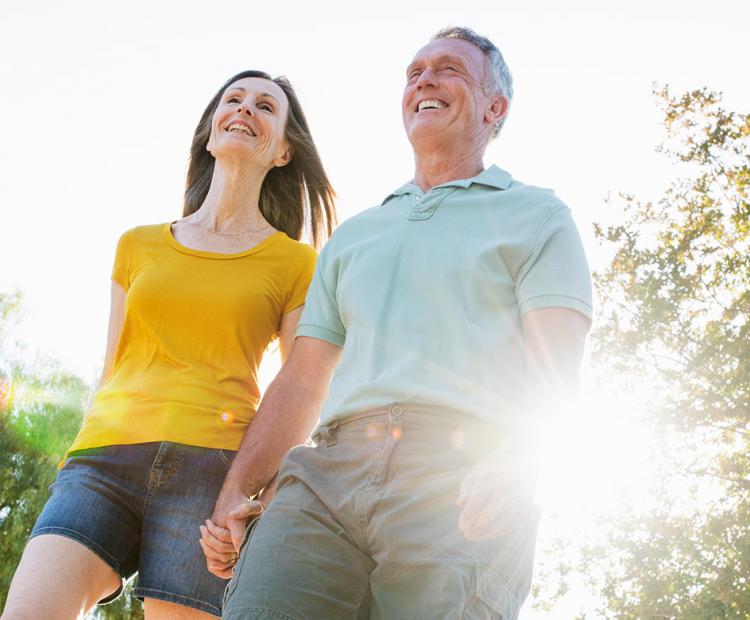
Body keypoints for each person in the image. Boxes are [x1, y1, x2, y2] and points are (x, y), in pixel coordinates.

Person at [203, 27, 592, 620]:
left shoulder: (537, 216)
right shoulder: (355, 235)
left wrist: (520, 460)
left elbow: (557, 365)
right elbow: (304, 378)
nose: (424, 81)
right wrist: (238, 489)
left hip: (457, 472)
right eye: (414, 73)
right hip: (324, 476)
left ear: (495, 107)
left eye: (448, 70)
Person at [2, 70, 335, 619]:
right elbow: (111, 369)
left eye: (265, 107)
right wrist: (72, 464)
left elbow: (299, 386)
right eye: (234, 99)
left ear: (283, 152)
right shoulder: (136, 245)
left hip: (212, 475)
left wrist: (254, 493)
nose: (245, 109)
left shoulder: (297, 264)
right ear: (210, 133)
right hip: (101, 465)